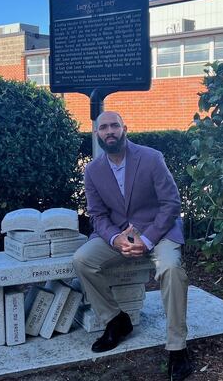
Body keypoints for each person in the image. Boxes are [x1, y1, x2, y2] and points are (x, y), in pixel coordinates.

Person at [73, 111, 193, 381]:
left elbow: (171, 204)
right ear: (97, 134)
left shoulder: (151, 158)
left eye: (115, 125)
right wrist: (116, 238)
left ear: (125, 129)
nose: (110, 131)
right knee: (82, 260)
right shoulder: (92, 171)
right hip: (118, 234)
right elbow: (97, 215)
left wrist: (147, 239)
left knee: (171, 269)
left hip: (158, 231)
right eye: (103, 127)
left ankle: (177, 347)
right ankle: (116, 320)